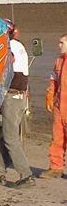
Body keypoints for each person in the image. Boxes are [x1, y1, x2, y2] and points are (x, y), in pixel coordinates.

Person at [0, 19, 35, 188]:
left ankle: (26, 175)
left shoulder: (9, 47)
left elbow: (6, 67)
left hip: (12, 97)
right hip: (19, 97)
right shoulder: (18, 45)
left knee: (10, 139)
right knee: (5, 137)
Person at [39, 34, 67, 179]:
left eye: (62, 43)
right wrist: (50, 94)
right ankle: (56, 168)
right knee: (57, 139)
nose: (59, 45)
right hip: (59, 107)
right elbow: (53, 79)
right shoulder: (59, 61)